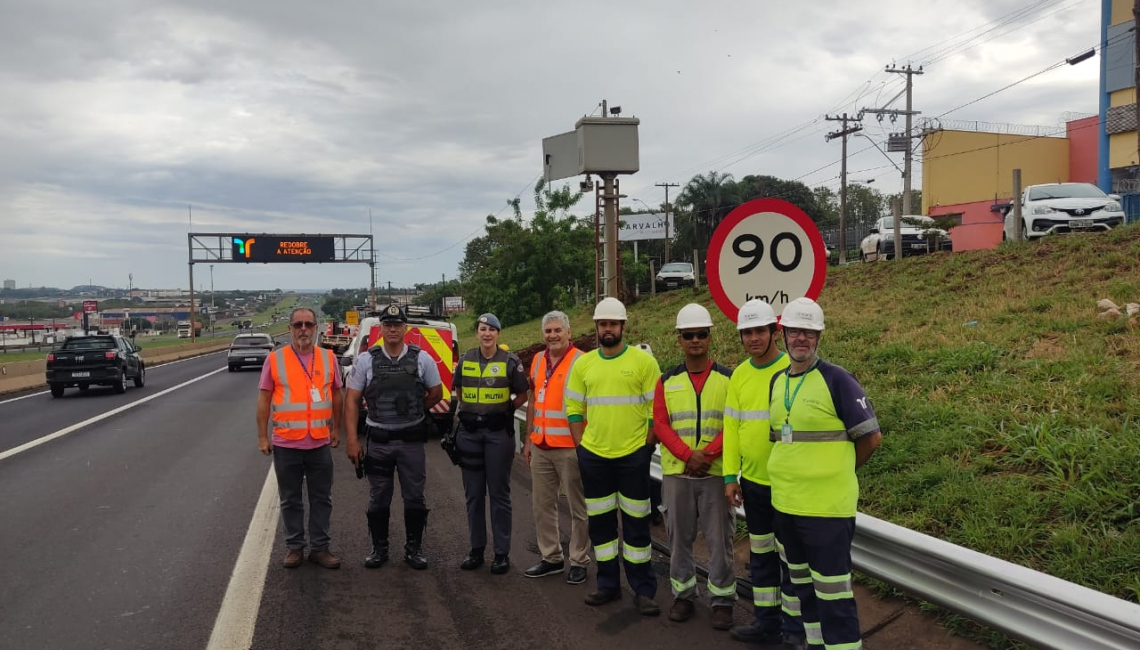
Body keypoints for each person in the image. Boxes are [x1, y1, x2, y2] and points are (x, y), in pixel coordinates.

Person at [767, 297, 882, 650]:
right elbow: (780, 440)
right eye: (795, 331)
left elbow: (871, 438)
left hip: (826, 512)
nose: (801, 338)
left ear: (819, 336)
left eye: (810, 332)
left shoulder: (837, 380)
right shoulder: (777, 381)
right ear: (783, 335)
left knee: (833, 595)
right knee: (802, 588)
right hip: (786, 506)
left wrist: (840, 470)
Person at [565, 297, 661, 616]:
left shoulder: (643, 362)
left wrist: (645, 447)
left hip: (633, 456)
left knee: (637, 527)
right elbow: (574, 410)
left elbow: (655, 411)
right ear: (596, 327)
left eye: (613, 324)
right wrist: (582, 447)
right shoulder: (584, 364)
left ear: (623, 326)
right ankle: (607, 585)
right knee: (601, 527)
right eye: (603, 324)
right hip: (595, 458)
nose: (608, 329)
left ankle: (643, 590)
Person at [654, 303, 737, 630]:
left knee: (720, 540)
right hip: (679, 472)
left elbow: (734, 423)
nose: (695, 340)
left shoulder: (729, 379)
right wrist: (688, 455)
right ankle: (683, 594)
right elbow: (660, 423)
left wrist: (708, 455)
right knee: (679, 539)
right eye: (688, 335)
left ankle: (722, 601)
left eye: (701, 334)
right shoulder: (667, 380)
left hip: (715, 474)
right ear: (679, 340)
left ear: (710, 337)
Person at [344, 304, 442, 570]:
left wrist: (414, 408)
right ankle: (379, 549)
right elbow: (352, 401)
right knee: (379, 498)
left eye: (397, 325)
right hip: (379, 443)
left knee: (414, 498)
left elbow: (437, 393)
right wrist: (352, 440)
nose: (393, 330)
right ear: (381, 328)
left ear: (405, 328)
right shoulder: (366, 360)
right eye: (388, 325)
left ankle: (414, 549)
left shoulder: (423, 360)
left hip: (411, 442)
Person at [721, 299, 796, 645]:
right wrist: (729, 477)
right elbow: (732, 429)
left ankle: (793, 632)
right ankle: (767, 623)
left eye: (759, 331)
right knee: (761, 555)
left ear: (774, 332)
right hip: (752, 484)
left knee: (791, 561)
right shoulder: (739, 375)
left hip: (788, 485)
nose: (753, 338)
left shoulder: (791, 370)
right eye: (746, 332)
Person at [256, 306, 344, 569]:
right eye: (298, 325)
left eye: (308, 324)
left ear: (316, 327)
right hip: (287, 443)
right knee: (290, 498)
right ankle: (294, 547)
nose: (303, 329)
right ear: (290, 329)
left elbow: (337, 394)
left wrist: (336, 428)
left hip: (318, 443)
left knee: (321, 498)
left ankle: (320, 548)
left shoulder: (329, 358)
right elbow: (264, 399)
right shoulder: (275, 359)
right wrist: (262, 436)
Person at [454, 313, 528, 574]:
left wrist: (506, 410)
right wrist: (469, 410)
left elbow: (522, 393)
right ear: (477, 332)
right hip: (470, 434)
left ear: (498, 334)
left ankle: (501, 553)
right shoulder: (465, 360)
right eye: (483, 329)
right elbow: (459, 389)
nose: (487, 334)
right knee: (473, 495)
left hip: (498, 435)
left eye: (492, 330)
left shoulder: (511, 361)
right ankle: (476, 550)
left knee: (499, 494)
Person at [520, 311, 589, 585]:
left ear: (569, 332)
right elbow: (534, 403)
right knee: (542, 506)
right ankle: (551, 557)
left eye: (557, 330)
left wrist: (586, 445)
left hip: (571, 447)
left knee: (577, 507)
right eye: (548, 331)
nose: (552, 335)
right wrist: (528, 439)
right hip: (541, 446)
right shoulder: (537, 360)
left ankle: (579, 559)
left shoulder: (582, 362)